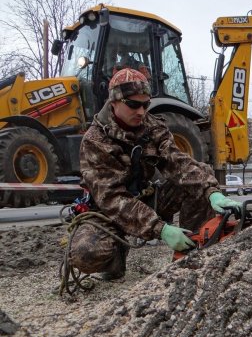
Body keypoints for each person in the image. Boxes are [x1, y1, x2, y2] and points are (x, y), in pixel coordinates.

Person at [70, 68, 241, 280]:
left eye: (146, 104)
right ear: (114, 102)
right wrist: (161, 229)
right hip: (108, 212)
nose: (141, 111)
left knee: (199, 177)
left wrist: (211, 191)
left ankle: (192, 250)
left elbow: (177, 162)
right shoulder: (94, 140)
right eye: (133, 104)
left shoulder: (153, 127)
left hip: (147, 198)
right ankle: (115, 257)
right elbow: (112, 199)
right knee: (85, 253)